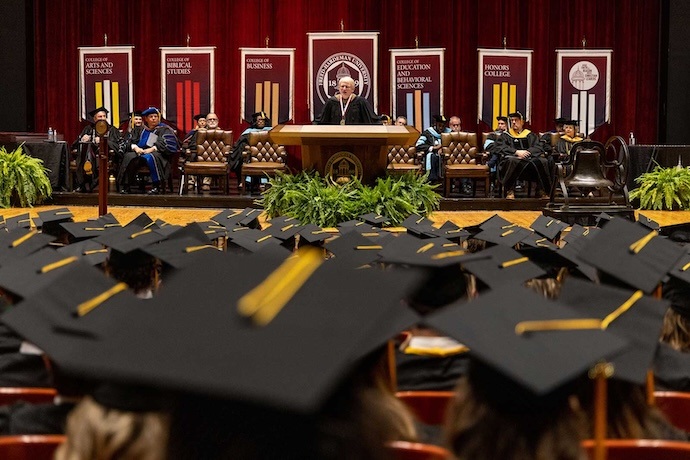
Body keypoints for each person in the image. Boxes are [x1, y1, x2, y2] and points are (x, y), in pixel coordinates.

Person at [117, 107, 179, 195]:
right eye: (151, 117)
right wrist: (136, 148)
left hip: (157, 154)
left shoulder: (164, 129)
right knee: (129, 156)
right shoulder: (140, 130)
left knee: (151, 157)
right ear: (146, 119)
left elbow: (167, 144)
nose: (154, 118)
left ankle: (156, 186)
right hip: (140, 152)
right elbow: (129, 141)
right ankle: (127, 186)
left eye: (155, 116)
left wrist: (152, 148)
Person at [496, 111, 551, 199]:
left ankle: (542, 190)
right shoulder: (505, 136)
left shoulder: (530, 135)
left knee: (543, 161)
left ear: (522, 122)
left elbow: (538, 147)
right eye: (512, 120)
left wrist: (527, 152)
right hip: (513, 158)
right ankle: (509, 190)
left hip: (529, 159)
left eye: (516, 120)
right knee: (512, 161)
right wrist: (516, 152)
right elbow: (500, 147)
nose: (513, 122)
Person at [71, 107, 121, 193]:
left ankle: (85, 183)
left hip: (105, 155)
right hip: (88, 154)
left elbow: (117, 145)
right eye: (99, 117)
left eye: (104, 116)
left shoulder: (112, 130)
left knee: (90, 155)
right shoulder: (88, 129)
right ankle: (87, 165)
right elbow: (75, 144)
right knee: (85, 147)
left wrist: (104, 141)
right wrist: (82, 139)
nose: (102, 119)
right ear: (94, 119)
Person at [229, 111, 272, 192]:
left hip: (267, 156)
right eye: (259, 120)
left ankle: (264, 183)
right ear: (255, 121)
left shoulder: (271, 131)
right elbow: (240, 144)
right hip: (251, 156)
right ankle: (245, 181)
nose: (261, 122)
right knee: (242, 156)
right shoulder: (249, 132)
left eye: (263, 120)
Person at [416, 115, 450, 182]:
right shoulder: (428, 133)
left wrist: (443, 149)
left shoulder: (449, 133)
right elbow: (418, 145)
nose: (441, 128)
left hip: (445, 155)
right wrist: (433, 148)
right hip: (432, 155)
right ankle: (431, 180)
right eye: (439, 125)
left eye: (443, 126)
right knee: (432, 156)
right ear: (435, 124)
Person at [182, 114, 208, 191]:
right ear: (198, 123)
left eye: (204, 121)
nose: (202, 123)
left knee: (210, 160)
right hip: (194, 152)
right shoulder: (193, 132)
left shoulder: (211, 132)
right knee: (191, 158)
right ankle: (191, 182)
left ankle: (206, 183)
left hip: (207, 154)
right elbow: (185, 142)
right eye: (201, 121)